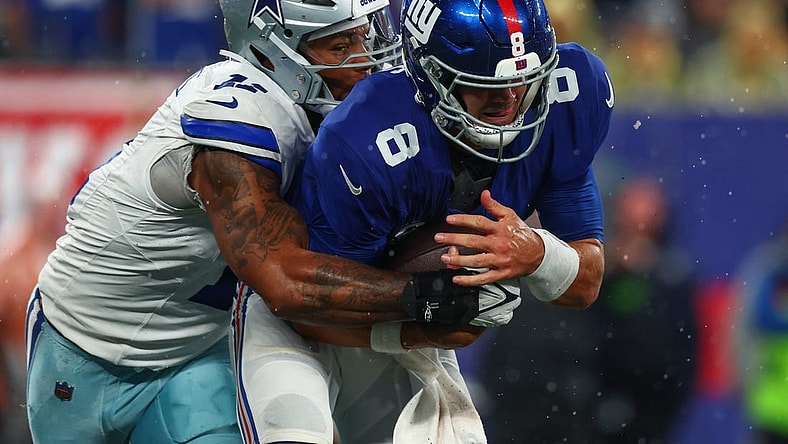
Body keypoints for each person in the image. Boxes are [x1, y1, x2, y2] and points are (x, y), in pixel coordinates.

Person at [24, 1, 485, 442]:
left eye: (368, 36)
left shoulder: (347, 121)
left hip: (195, 357)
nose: (366, 60)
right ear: (272, 49)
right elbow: (284, 282)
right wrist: (421, 297)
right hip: (80, 343)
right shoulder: (241, 122)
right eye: (340, 46)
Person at [234, 0, 614, 442]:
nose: (508, 99)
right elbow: (303, 305)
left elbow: (584, 283)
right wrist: (429, 305)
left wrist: (538, 253)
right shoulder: (370, 139)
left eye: (523, 81)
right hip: (304, 314)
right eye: (484, 84)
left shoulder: (570, 95)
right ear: (431, 76)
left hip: (403, 321)